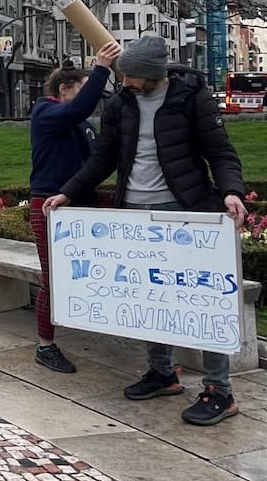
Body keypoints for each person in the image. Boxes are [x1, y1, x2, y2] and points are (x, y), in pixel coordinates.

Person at [44, 35, 248, 426]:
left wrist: (232, 193)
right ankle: (162, 372)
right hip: (134, 213)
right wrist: (68, 193)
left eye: (132, 77)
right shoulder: (122, 103)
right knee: (152, 300)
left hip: (184, 211)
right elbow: (104, 157)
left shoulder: (192, 99)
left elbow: (220, 152)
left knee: (201, 301)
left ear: (153, 75)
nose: (125, 83)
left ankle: (220, 390)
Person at [27, 41, 121, 374]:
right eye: (82, 91)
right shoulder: (46, 111)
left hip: (79, 201)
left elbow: (98, 161)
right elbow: (78, 109)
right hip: (50, 204)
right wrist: (101, 68)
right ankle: (45, 344)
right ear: (64, 89)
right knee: (53, 279)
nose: (89, 100)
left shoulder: (79, 122)